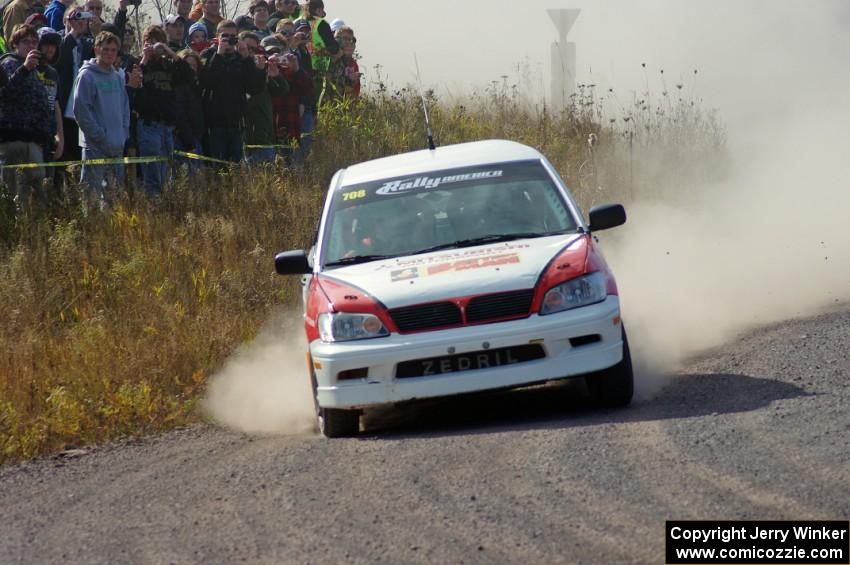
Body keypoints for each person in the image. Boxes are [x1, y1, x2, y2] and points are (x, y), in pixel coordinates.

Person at [72, 30, 130, 205]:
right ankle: (90, 229)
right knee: (91, 196)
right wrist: (99, 135)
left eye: (113, 50)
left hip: (117, 146)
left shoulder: (117, 76)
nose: (110, 53)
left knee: (115, 195)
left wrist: (123, 133)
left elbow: (125, 107)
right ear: (97, 49)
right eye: (105, 49)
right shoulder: (87, 76)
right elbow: (81, 110)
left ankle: (110, 231)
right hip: (94, 147)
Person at [134, 24, 191, 196]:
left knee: (166, 174)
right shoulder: (138, 63)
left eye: (157, 42)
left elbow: (188, 75)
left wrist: (169, 52)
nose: (153, 46)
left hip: (168, 127)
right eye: (149, 42)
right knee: (152, 175)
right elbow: (133, 84)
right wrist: (145, 58)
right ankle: (154, 207)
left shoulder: (169, 65)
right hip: (149, 125)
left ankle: (165, 208)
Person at [0, 24, 52, 208]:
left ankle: (35, 233)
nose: (30, 45)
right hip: (14, 140)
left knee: (38, 191)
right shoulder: (8, 63)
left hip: (34, 140)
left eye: (34, 41)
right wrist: (24, 68)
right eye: (25, 42)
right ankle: (15, 233)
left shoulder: (36, 70)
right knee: (15, 193)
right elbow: (5, 92)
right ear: (15, 44)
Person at [199, 19, 266, 163]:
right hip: (214, 124)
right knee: (217, 166)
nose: (229, 40)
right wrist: (219, 54)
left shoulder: (241, 58)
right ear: (217, 36)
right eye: (225, 36)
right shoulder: (207, 55)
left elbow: (254, 89)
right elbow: (207, 81)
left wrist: (249, 60)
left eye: (232, 37)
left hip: (236, 123)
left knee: (234, 167)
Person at [243, 33, 287, 165]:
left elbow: (282, 91)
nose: (252, 53)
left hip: (266, 135)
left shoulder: (263, 71)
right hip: (248, 137)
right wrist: (258, 77)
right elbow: (246, 104)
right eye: (248, 49)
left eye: (254, 50)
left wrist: (276, 75)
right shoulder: (241, 69)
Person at [56, 8, 93, 163]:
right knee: (61, 157)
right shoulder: (59, 40)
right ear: (67, 21)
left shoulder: (88, 45)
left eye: (83, 18)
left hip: (81, 110)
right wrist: (72, 32)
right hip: (63, 109)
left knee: (79, 159)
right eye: (76, 17)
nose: (80, 22)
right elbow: (58, 57)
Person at [35, 26, 64, 178]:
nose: (50, 49)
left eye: (53, 45)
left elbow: (56, 106)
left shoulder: (53, 73)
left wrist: (61, 137)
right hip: (31, 137)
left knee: (48, 183)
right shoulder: (29, 68)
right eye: (46, 44)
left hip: (50, 136)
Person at [173, 48, 203, 165]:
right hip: (184, 140)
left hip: (196, 137)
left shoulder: (196, 87)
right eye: (188, 65)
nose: (191, 68)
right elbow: (180, 115)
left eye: (194, 65)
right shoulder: (179, 87)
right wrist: (189, 142)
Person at [325, 24, 359, 101]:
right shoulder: (329, 53)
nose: (347, 42)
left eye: (350, 39)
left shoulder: (344, 59)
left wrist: (350, 80)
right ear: (336, 38)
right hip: (325, 100)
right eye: (344, 38)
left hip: (338, 101)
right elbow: (325, 75)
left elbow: (340, 81)